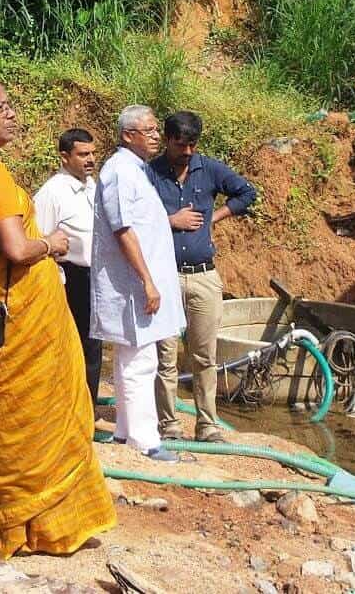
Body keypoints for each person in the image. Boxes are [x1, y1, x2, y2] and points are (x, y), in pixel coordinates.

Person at [0, 74, 115, 558]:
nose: (12, 114)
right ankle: (40, 525)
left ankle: (1, 519)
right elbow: (15, 248)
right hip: (15, 319)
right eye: (2, 107)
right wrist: (51, 245)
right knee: (33, 417)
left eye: (11, 105)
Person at [149, 111, 256, 442]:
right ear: (167, 140)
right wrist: (170, 221)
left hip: (203, 278)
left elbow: (246, 193)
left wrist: (215, 217)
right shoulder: (149, 173)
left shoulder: (208, 168)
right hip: (164, 277)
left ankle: (207, 425)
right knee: (164, 357)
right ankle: (169, 426)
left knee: (204, 356)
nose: (188, 151)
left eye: (193, 144)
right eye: (181, 145)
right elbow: (132, 219)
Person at [91, 105, 185, 462]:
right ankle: (144, 440)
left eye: (155, 129)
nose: (156, 135)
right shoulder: (119, 172)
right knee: (139, 361)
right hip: (131, 287)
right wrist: (147, 281)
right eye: (148, 130)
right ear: (128, 135)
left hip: (139, 284)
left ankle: (125, 431)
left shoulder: (135, 171)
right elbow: (123, 229)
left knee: (134, 358)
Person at [33, 128, 103, 409]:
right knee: (72, 344)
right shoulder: (53, 192)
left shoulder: (92, 186)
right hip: (69, 278)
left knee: (93, 344)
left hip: (94, 277)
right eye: (83, 154)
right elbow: (39, 237)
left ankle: (88, 406)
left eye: (93, 153)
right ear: (65, 157)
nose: (90, 159)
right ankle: (69, 408)